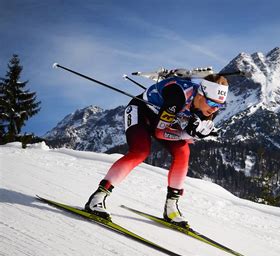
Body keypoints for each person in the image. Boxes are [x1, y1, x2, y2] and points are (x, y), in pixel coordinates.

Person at [84, 70, 229, 227]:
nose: (215, 109)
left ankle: (171, 209)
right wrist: (186, 134)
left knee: (183, 153)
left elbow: (182, 131)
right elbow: (160, 133)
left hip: (164, 119)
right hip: (141, 111)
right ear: (200, 95)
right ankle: (97, 197)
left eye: (220, 105)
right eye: (213, 103)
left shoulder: (208, 109)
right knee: (140, 151)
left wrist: (194, 134)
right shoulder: (178, 96)